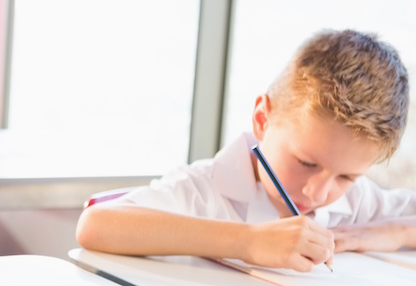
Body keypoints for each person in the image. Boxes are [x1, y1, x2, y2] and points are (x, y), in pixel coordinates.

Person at [76, 29, 416, 273]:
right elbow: (95, 225)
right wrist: (248, 241)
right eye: (306, 162)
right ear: (262, 119)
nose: (320, 192)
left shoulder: (358, 203)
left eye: (347, 176)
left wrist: (393, 231)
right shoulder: (203, 189)